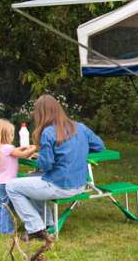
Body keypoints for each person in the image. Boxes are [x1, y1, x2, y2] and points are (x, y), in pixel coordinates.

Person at [6, 95, 104, 240]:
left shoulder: (49, 132)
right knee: (29, 180)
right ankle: (47, 224)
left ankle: (35, 228)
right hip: (80, 184)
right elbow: (99, 145)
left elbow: (46, 165)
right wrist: (77, 149)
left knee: (12, 186)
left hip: (59, 185)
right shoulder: (80, 127)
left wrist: (38, 156)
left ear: (42, 114)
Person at [0, 119, 37, 234]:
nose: (12, 137)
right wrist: (34, 147)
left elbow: (16, 151)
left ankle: (1, 227)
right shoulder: (8, 148)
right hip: (7, 183)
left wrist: (23, 147)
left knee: (2, 206)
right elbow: (24, 155)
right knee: (7, 207)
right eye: (11, 134)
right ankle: (7, 230)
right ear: (3, 135)